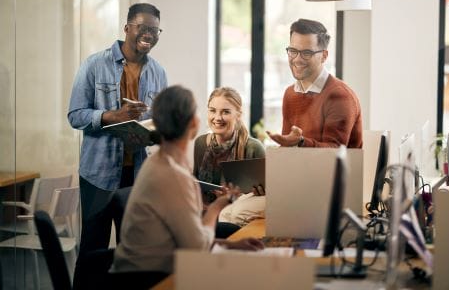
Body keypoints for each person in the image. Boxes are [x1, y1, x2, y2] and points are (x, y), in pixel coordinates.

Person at [111, 85, 264, 287]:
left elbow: (184, 240)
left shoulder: (158, 162)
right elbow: (196, 249)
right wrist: (218, 206)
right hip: (147, 279)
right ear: (194, 122)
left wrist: (229, 244)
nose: (217, 117)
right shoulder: (174, 175)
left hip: (140, 269)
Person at [67, 3, 167, 287]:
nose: (148, 34)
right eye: (142, 27)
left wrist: (157, 132)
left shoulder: (159, 72)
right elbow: (75, 116)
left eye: (154, 29)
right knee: (92, 251)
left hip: (136, 176)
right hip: (97, 175)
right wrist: (113, 117)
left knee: (132, 253)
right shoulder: (94, 64)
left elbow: (159, 123)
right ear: (127, 28)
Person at [267, 18, 362, 148]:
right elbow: (287, 148)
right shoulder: (290, 93)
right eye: (293, 51)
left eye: (307, 53)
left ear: (324, 56)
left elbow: (334, 154)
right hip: (298, 168)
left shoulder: (340, 96)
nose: (297, 59)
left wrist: (300, 142)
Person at [193, 87, 266, 227]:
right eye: (212, 110)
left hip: (235, 219)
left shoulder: (253, 148)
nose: (217, 118)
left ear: (238, 115)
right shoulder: (200, 143)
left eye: (225, 112)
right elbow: (195, 183)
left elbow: (265, 197)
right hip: (204, 213)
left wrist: (239, 197)